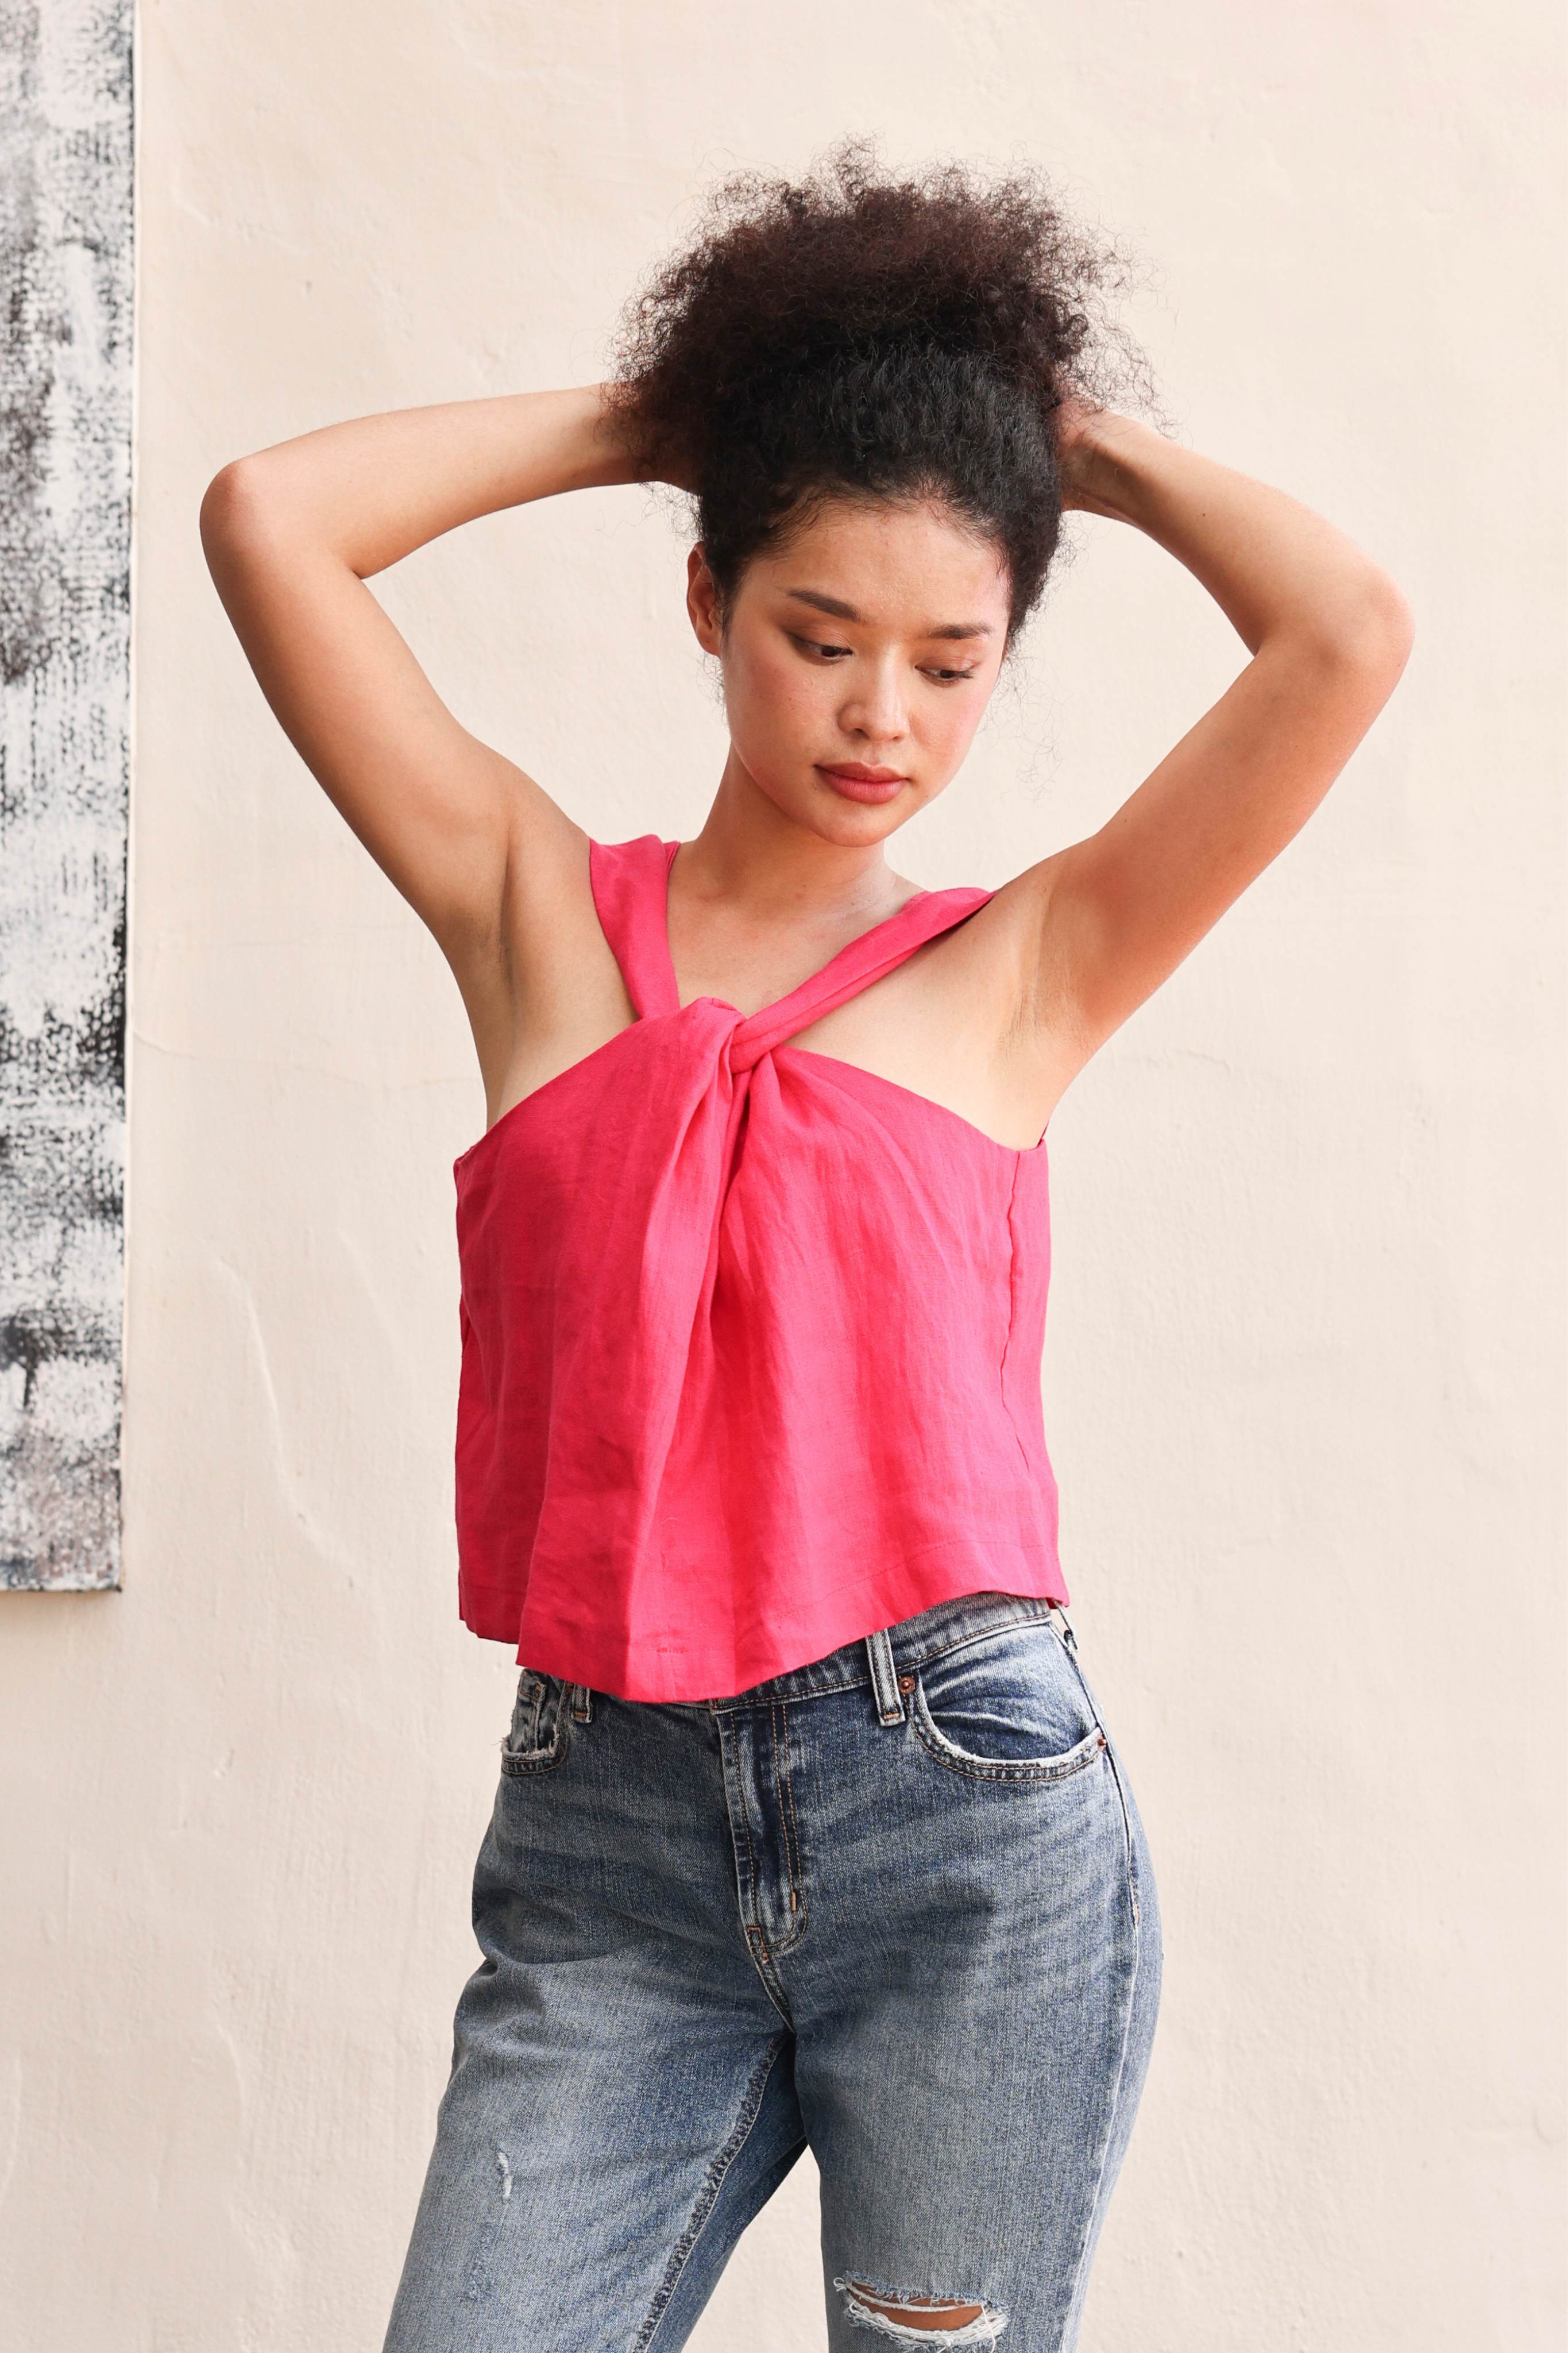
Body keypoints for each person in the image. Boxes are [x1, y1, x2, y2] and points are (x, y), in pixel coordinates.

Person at [200, 144, 1412, 2353]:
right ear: (707, 604)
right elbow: (269, 517)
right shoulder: (536, 920)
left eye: (953, 663)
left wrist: (1041, 428)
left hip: (961, 1819)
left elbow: (1343, 633)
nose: (882, 718)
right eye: (818, 634)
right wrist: (678, 412)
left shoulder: (1030, 962)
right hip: (610, 1840)